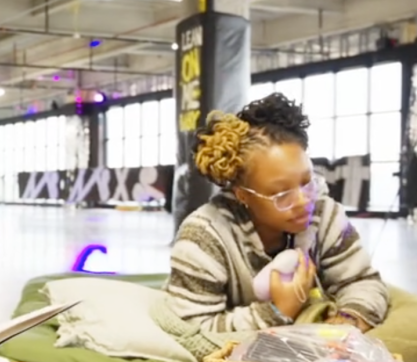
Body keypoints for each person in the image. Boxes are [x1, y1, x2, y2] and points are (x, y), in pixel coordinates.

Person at [165, 92, 389, 333]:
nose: (304, 201)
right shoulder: (203, 236)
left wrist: (347, 321)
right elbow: (192, 327)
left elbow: (362, 281)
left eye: (307, 182)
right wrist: (278, 311)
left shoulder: (324, 214)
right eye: (281, 194)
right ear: (243, 194)